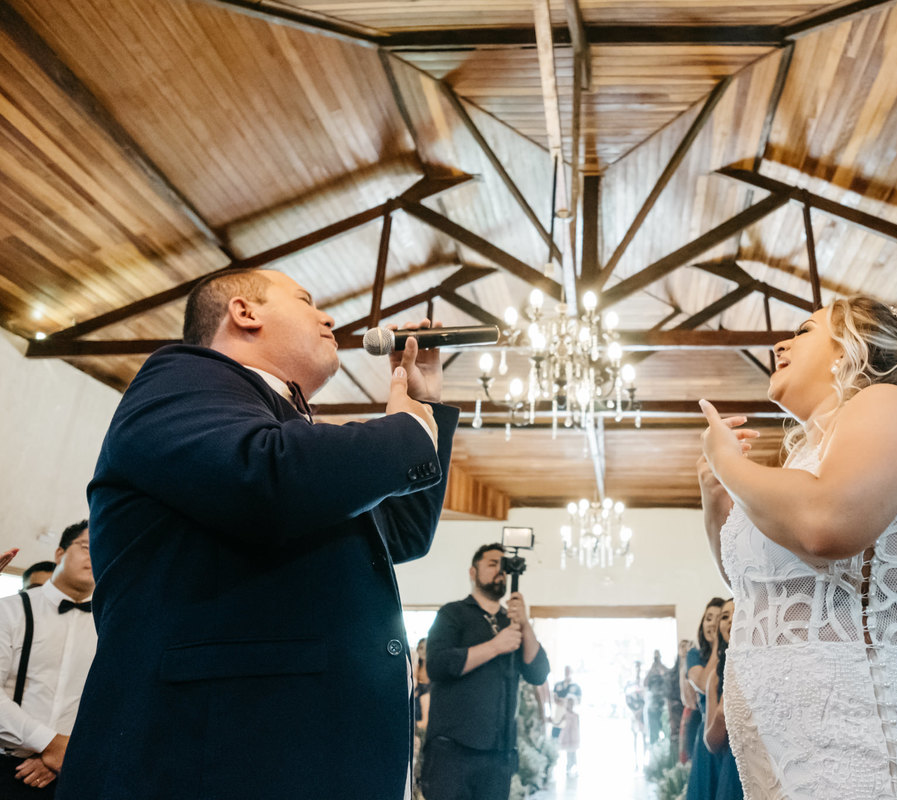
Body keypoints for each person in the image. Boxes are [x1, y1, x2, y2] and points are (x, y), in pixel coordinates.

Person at [57, 268, 457, 800]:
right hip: (203, 758)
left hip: (283, 754)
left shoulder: (292, 434)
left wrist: (425, 408)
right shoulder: (182, 379)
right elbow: (265, 477)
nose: (329, 317)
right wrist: (407, 430)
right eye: (307, 300)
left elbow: (402, 534)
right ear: (245, 313)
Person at [699, 295, 897, 799]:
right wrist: (715, 497)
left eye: (804, 330)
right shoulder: (803, 463)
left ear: (851, 350)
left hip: (868, 748)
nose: (779, 342)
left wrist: (731, 465)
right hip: (790, 755)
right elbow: (756, 588)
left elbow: (826, 526)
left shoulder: (888, 404)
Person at [422, 544, 549, 800]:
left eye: (503, 566)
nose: (500, 571)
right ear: (473, 571)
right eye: (492, 564)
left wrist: (524, 623)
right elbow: (437, 665)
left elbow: (538, 672)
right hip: (452, 752)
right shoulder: (452, 614)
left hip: (498, 753)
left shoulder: (512, 622)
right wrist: (494, 647)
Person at [0, 522, 95, 797]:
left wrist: (65, 756)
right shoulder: (11, 609)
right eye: (87, 547)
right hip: (9, 770)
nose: (95, 555)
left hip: (75, 774)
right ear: (59, 554)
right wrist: (51, 745)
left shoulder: (109, 626)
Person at [702, 599, 743, 800]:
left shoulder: (771, 665)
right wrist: (720, 715)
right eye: (724, 616)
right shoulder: (716, 677)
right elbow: (710, 744)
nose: (730, 620)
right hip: (732, 772)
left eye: (737, 612)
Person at [682, 598, 722, 785]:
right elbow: (704, 683)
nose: (712, 624)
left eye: (719, 618)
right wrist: (717, 645)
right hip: (707, 734)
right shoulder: (694, 655)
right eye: (708, 618)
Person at [643, 649, 669, 745]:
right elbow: (645, 683)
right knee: (653, 734)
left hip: (664, 706)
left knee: (667, 733)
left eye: (658, 657)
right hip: (653, 706)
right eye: (655, 657)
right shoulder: (650, 671)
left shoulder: (663, 669)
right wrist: (652, 669)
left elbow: (669, 676)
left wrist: (661, 667)